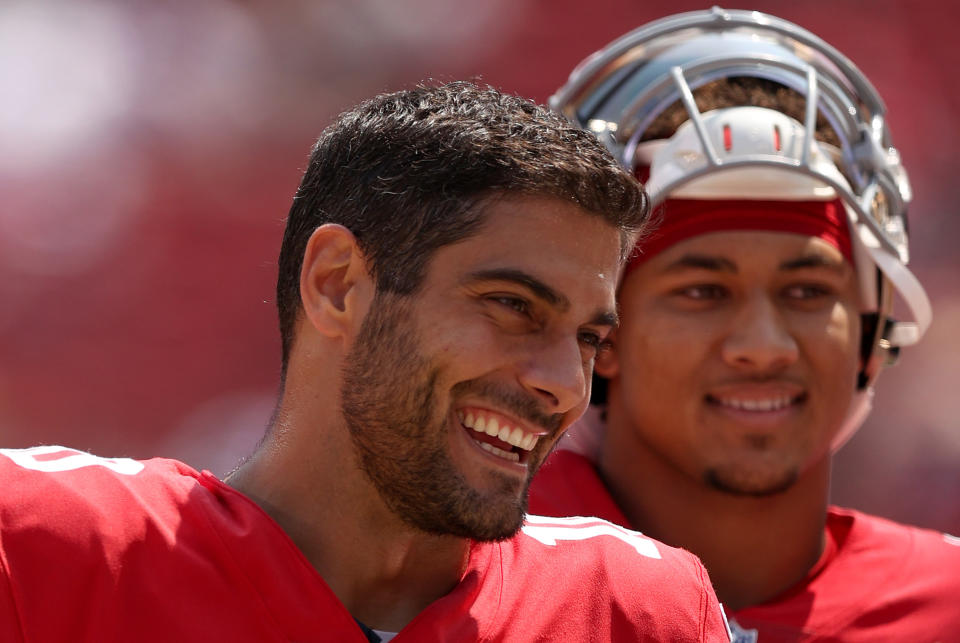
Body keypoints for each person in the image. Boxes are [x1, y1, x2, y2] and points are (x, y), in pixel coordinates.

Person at [0, 82, 732, 642]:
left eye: (588, 340)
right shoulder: (41, 550)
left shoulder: (633, 610)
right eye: (512, 306)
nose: (563, 383)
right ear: (338, 284)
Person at [528, 8, 960, 642]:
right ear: (599, 330)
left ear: (872, 326)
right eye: (703, 291)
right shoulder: (455, 569)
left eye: (808, 291)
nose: (764, 347)